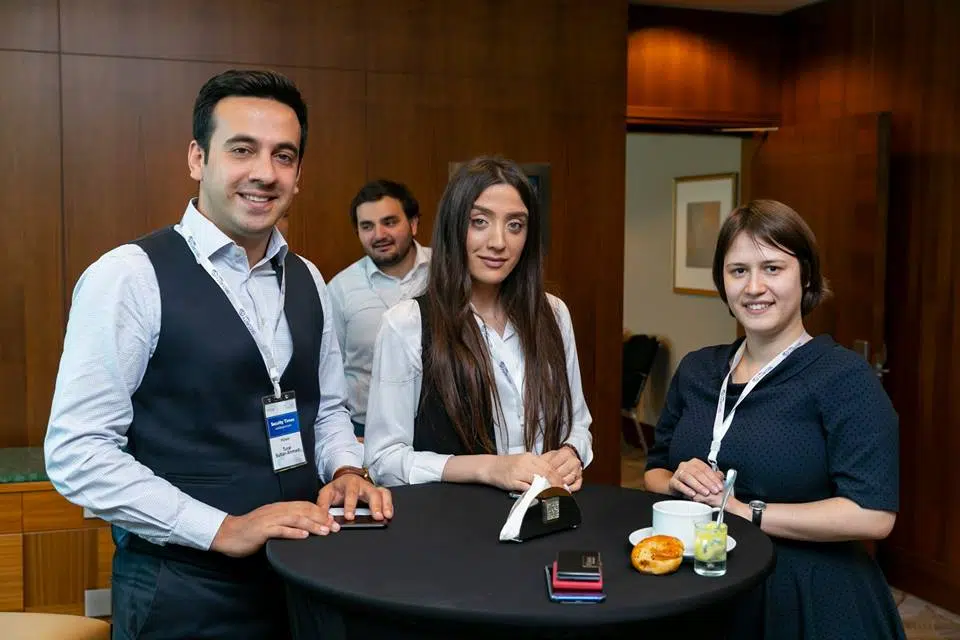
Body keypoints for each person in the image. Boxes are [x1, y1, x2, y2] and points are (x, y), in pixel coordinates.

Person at [44, 69, 392, 640]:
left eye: (283, 155)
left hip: (304, 577)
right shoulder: (129, 276)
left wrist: (345, 469)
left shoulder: (308, 278)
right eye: (242, 149)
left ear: (298, 174)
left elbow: (327, 410)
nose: (265, 172)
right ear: (197, 158)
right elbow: (78, 453)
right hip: (184, 591)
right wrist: (223, 528)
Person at [644, 200, 904, 639]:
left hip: (806, 597)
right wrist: (677, 483)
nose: (754, 287)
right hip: (704, 591)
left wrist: (746, 512)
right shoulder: (698, 370)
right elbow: (654, 469)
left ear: (806, 277)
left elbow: (872, 515)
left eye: (772, 268)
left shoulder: (844, 378)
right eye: (738, 271)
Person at [363, 156, 593, 491]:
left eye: (515, 225)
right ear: (453, 227)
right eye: (480, 222)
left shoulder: (554, 314)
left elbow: (579, 423)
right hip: (459, 517)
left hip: (546, 510)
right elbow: (384, 460)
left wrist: (572, 452)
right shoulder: (408, 324)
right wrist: (488, 468)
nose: (499, 242)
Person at [327, 180, 431, 438]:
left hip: (438, 431)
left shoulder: (447, 272)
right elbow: (328, 372)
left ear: (413, 224)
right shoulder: (340, 289)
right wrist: (345, 437)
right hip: (365, 432)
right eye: (367, 226)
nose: (379, 235)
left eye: (390, 222)